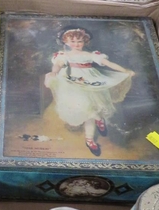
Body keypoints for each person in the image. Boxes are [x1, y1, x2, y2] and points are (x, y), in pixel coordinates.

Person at [44, 27, 135, 156]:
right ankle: (98, 121)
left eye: (79, 41)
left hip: (91, 82)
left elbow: (109, 64)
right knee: (86, 110)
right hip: (71, 83)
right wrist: (53, 73)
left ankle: (89, 139)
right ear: (66, 42)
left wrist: (125, 71)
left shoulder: (90, 55)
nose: (76, 44)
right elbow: (57, 65)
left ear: (85, 42)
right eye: (73, 41)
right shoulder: (63, 55)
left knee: (91, 111)